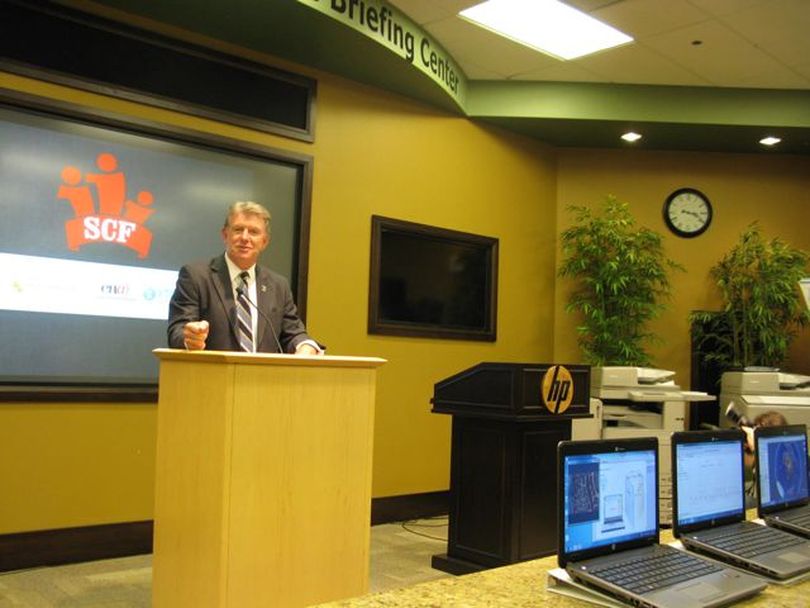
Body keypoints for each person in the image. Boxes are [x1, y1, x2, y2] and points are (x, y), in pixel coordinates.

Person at [167, 201, 321, 355]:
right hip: (210, 376)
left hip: (262, 378)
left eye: (253, 232)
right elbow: (178, 330)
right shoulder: (196, 276)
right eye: (238, 229)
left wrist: (305, 346)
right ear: (225, 235)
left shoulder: (278, 286)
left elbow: (294, 333)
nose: (245, 237)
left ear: (264, 241)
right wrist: (190, 339)